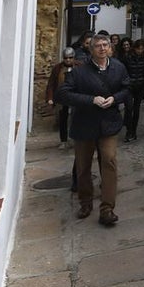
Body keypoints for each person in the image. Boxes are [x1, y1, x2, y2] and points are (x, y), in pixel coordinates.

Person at [57, 33, 131, 226]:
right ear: (91, 50)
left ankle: (107, 208)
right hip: (85, 124)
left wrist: (114, 98)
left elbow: (126, 89)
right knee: (83, 166)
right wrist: (91, 100)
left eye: (105, 45)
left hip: (108, 123)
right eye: (98, 46)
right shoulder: (79, 71)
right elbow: (64, 93)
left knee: (109, 161)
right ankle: (85, 201)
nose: (102, 48)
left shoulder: (118, 68)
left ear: (110, 47)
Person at [45, 46, 77, 148]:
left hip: (76, 97)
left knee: (76, 118)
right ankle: (63, 140)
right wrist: (50, 98)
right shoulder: (58, 68)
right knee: (62, 119)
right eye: (66, 58)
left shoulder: (80, 66)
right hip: (62, 97)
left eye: (70, 58)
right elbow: (51, 84)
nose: (68, 60)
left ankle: (76, 139)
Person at [122, 38, 144, 141]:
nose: (140, 51)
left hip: (140, 85)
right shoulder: (127, 57)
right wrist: (127, 81)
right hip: (129, 86)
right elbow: (123, 70)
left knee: (136, 109)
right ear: (134, 48)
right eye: (138, 49)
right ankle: (129, 130)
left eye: (141, 49)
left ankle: (133, 131)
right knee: (129, 108)